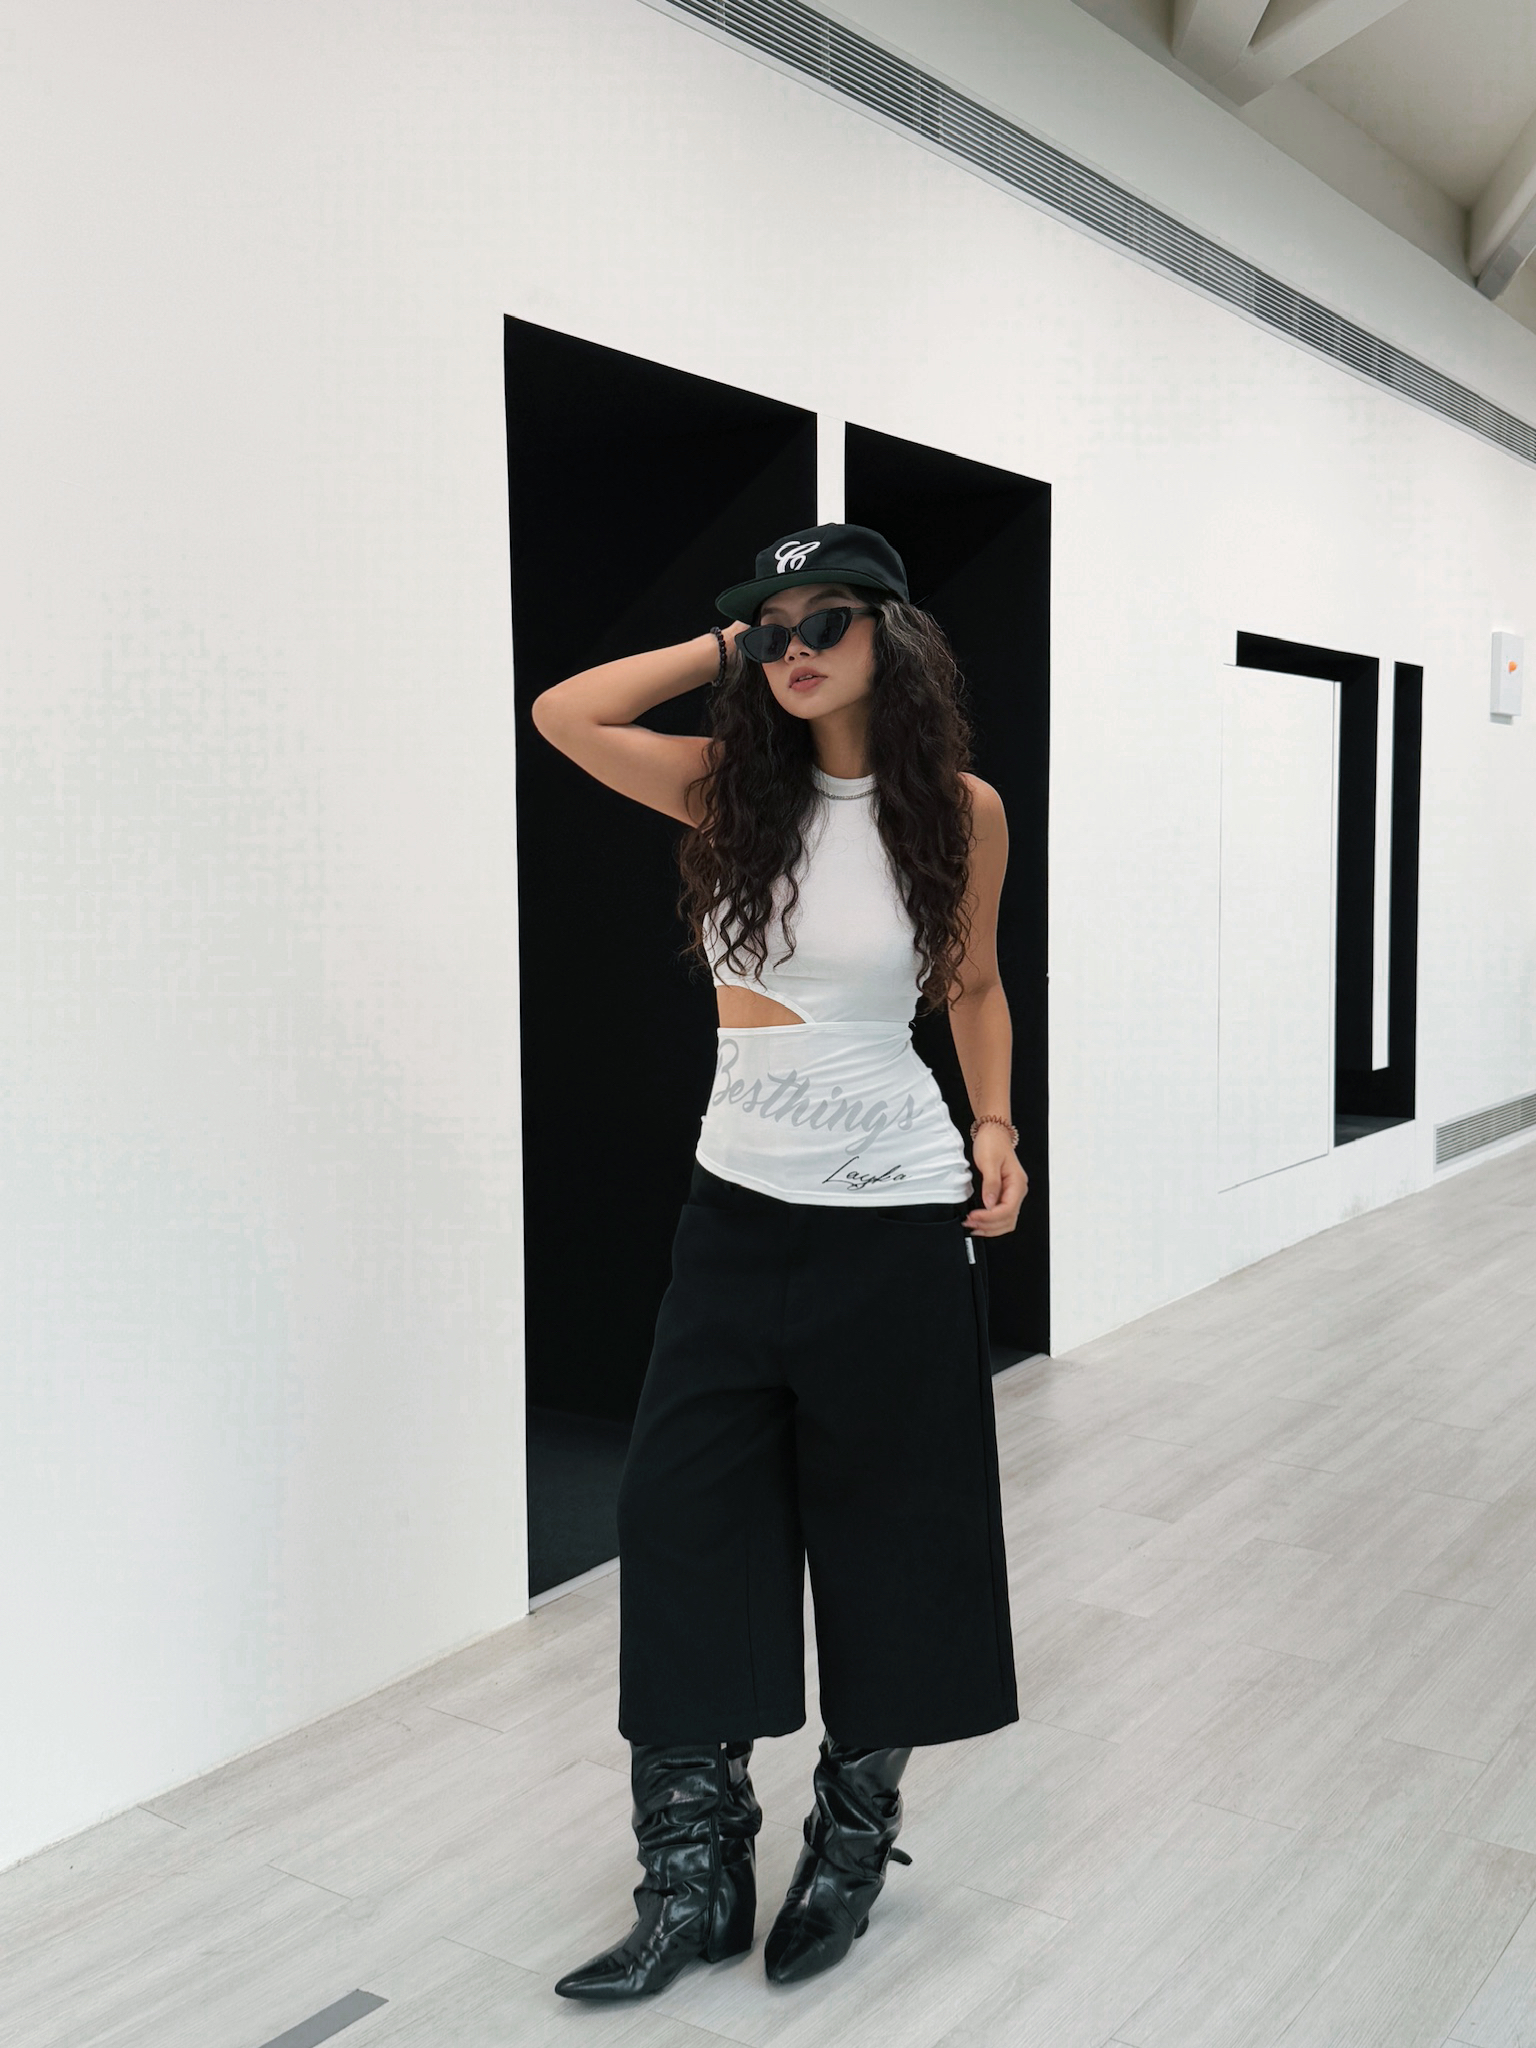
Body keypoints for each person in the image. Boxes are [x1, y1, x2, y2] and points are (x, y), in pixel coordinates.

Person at [529, 522, 1027, 2000]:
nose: (795, 648)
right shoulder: (727, 788)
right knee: (684, 1523)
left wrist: (996, 1124)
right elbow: (566, 714)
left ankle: (849, 1847)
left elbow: (975, 983)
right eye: (774, 627)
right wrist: (721, 646)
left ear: (892, 636)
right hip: (736, 1211)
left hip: (896, 1215)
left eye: (826, 621)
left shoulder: (960, 811)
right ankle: (692, 1878)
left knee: (894, 1531)